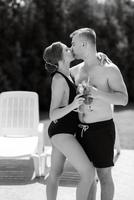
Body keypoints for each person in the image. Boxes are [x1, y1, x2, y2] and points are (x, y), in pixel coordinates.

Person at [70, 28, 128, 200]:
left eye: (73, 44)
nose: (71, 48)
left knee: (104, 175)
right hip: (80, 130)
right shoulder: (74, 71)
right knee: (87, 177)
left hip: (102, 130)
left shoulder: (110, 69)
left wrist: (98, 93)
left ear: (84, 44)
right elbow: (57, 65)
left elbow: (123, 99)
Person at [43, 41, 95, 200]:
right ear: (60, 57)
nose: (70, 49)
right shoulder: (58, 79)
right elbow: (52, 114)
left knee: (55, 173)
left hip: (66, 130)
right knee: (88, 172)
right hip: (62, 132)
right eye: (66, 49)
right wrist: (73, 105)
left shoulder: (68, 74)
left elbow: (87, 64)